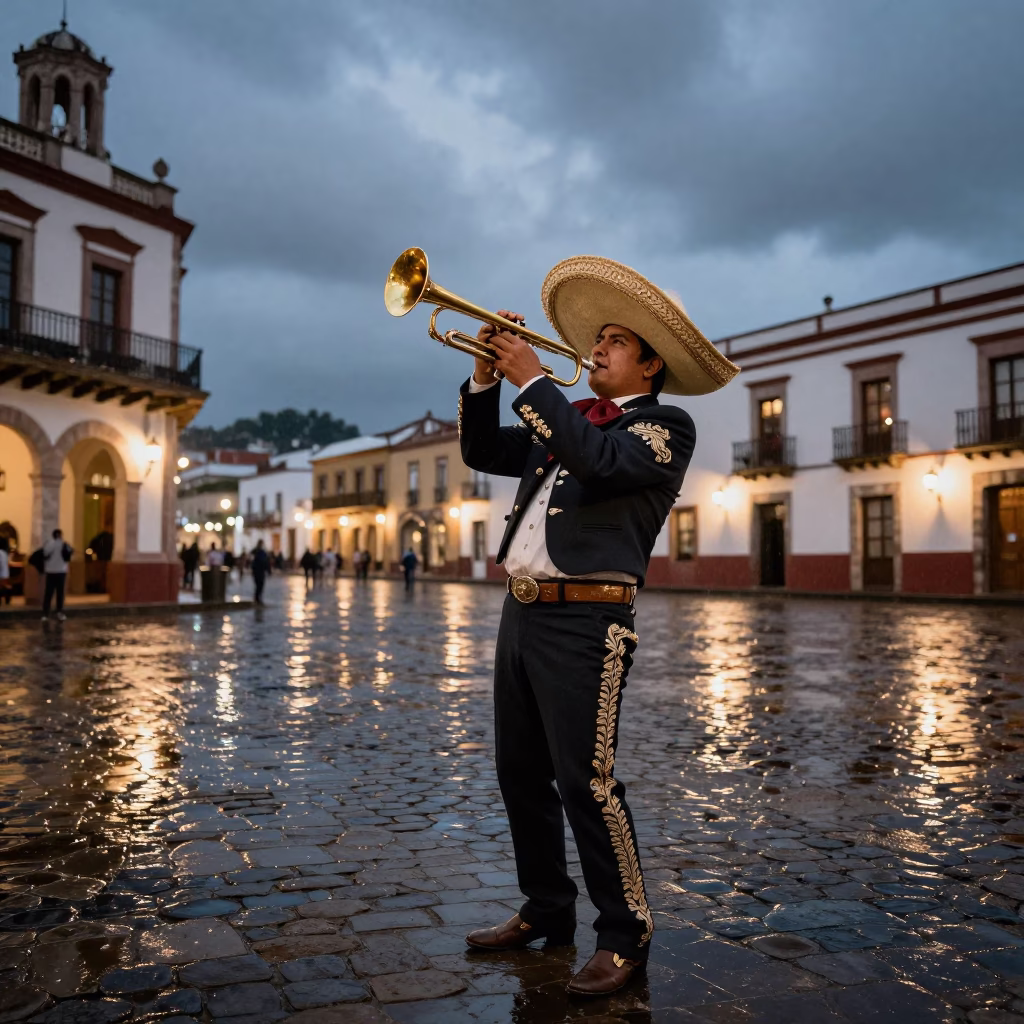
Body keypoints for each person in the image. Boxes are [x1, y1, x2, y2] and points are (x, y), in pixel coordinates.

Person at [457, 255, 738, 996]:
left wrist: (529, 379)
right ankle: (547, 908)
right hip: (523, 614)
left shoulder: (664, 429)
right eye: (601, 336)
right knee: (520, 775)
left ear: (650, 363)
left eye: (617, 340)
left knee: (588, 782)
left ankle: (626, 934)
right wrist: (489, 377)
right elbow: (484, 450)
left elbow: (601, 463)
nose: (600, 347)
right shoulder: (568, 419)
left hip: (589, 624)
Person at [41, 528, 73, 621]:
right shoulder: (64, 544)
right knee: (60, 593)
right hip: (61, 571)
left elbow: (44, 554)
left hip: (50, 571)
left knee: (48, 593)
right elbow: (69, 555)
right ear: (60, 535)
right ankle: (59, 612)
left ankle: (45, 614)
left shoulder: (49, 544)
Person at [251, 539, 270, 605]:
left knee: (260, 585)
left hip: (260, 571)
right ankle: (257, 598)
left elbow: (266, 561)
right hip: (257, 571)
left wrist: (268, 569)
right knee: (258, 585)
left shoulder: (262, 552)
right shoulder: (256, 551)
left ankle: (258, 598)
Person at [0, 536, 11, 606]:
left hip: (1, 572)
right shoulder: (4, 553)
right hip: (5, 572)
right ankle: (7, 598)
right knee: (4, 586)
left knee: (2, 586)